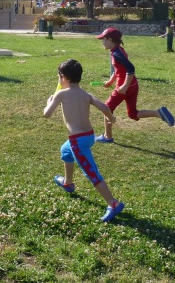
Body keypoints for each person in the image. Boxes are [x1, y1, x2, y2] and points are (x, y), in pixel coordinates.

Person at [44, 59, 125, 222]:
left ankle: (113, 203)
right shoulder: (85, 94)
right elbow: (104, 107)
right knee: (65, 151)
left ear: (63, 77)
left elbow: (47, 114)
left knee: (91, 173)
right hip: (89, 136)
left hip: (78, 142)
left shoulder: (61, 94)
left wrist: (48, 103)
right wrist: (111, 118)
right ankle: (68, 183)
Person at [95, 27, 174, 144]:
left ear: (111, 40)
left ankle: (107, 136)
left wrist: (124, 86)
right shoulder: (118, 50)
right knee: (132, 114)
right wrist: (110, 81)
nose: (102, 42)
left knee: (107, 109)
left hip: (124, 88)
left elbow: (131, 68)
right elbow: (118, 70)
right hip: (133, 85)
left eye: (104, 39)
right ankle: (158, 113)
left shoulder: (116, 54)